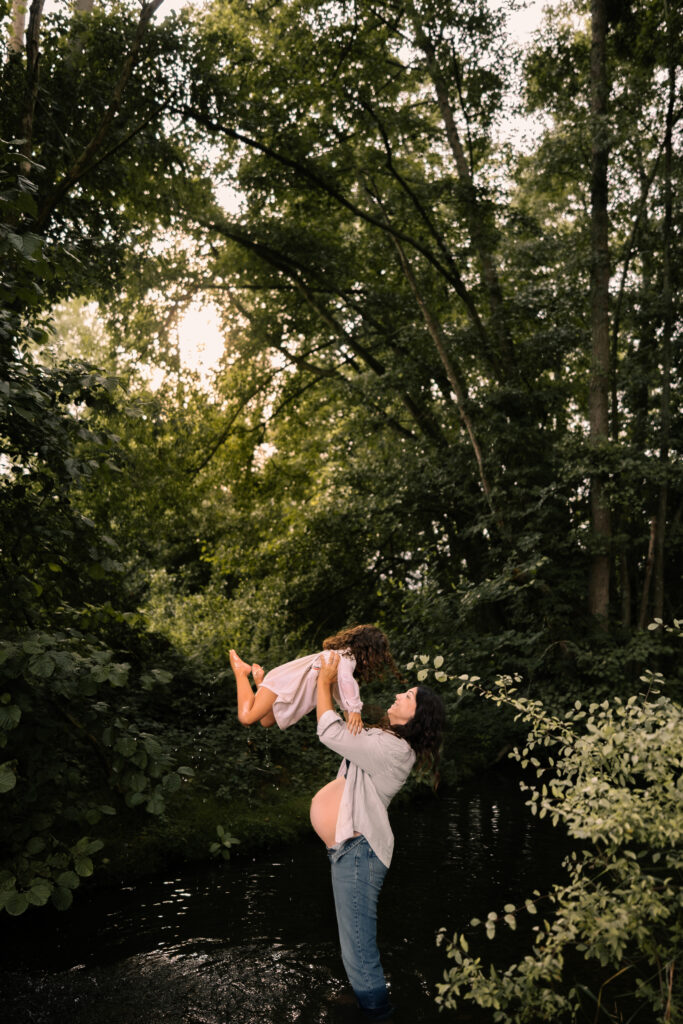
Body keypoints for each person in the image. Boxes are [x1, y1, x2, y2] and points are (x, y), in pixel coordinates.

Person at [311, 651, 446, 1021]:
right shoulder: (384, 740)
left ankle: (377, 1011)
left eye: (409, 696)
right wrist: (336, 678)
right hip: (352, 852)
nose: (401, 695)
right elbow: (344, 718)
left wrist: (324, 681)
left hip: (359, 853)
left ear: (417, 716)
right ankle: (368, 1000)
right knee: (353, 947)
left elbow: (329, 730)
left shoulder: (394, 749)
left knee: (358, 949)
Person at [229, 624, 401, 734]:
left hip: (289, 688)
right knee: (247, 718)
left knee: (267, 721)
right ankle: (241, 672)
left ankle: (260, 682)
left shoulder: (341, 662)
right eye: (374, 656)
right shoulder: (344, 658)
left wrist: (351, 718)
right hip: (284, 682)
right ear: (367, 651)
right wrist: (355, 709)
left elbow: (340, 691)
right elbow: (347, 682)